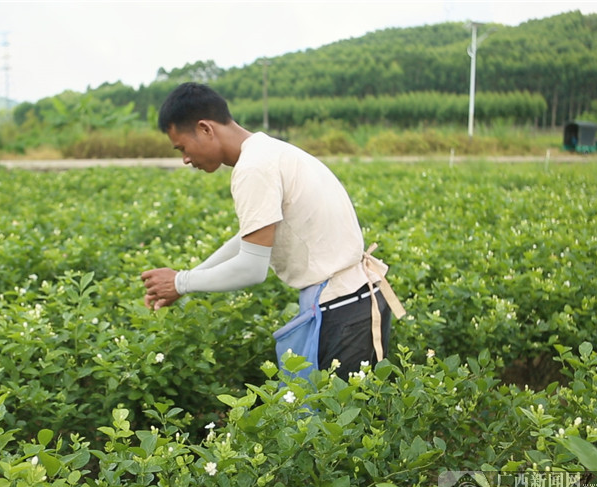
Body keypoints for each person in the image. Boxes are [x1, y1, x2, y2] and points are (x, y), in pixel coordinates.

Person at [141, 82, 404, 381]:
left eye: (183, 148)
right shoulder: (269, 151)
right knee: (352, 418)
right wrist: (182, 278)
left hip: (343, 313)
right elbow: (249, 240)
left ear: (205, 128)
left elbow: (252, 267)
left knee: (334, 421)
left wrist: (182, 282)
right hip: (359, 301)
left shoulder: (254, 167)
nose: (185, 160)